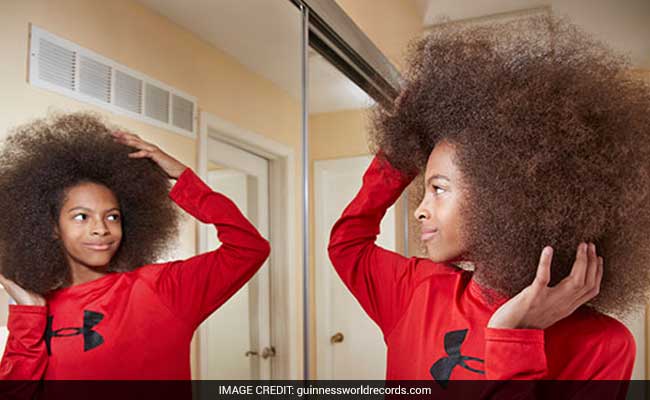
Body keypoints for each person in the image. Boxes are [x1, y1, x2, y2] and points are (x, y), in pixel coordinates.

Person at [329, 15, 649, 394]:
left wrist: (516, 336)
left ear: (504, 198)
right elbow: (346, 245)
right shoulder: (416, 290)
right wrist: (396, 157)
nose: (420, 208)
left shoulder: (602, 346)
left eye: (439, 188)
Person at [0, 113, 270, 379]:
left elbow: (248, 249)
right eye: (82, 216)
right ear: (52, 228)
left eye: (112, 216)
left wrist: (184, 178)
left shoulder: (163, 289)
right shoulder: (38, 311)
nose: (101, 228)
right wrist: (29, 311)